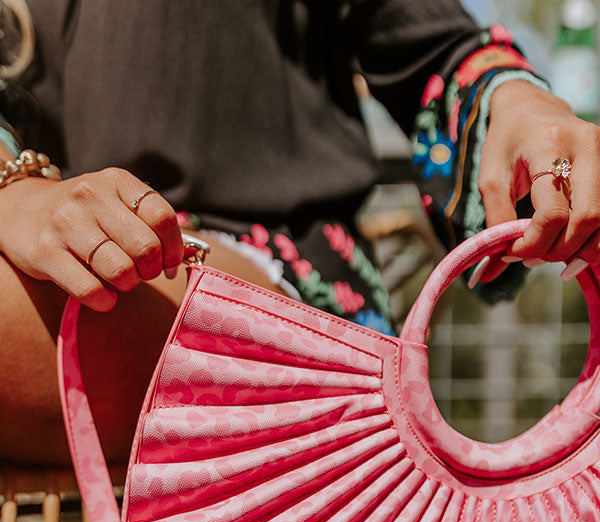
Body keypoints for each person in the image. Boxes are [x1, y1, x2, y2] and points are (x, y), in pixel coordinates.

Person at [0, 0, 598, 468]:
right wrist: (14, 191)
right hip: (44, 256)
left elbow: (436, 48)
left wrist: (520, 106)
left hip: (279, 279)